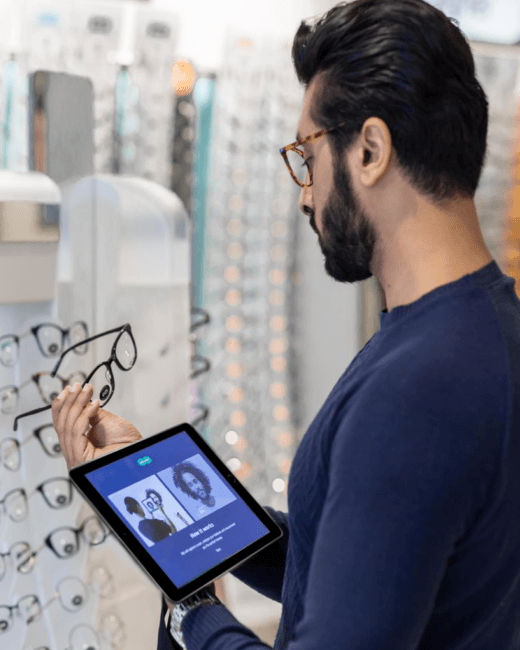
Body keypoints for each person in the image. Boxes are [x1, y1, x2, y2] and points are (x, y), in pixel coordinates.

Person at [51, 0, 520, 647]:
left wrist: (189, 608)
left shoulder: (420, 385)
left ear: (371, 150)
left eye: (307, 154)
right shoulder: (481, 330)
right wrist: (165, 492)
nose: (304, 191)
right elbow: (353, 565)